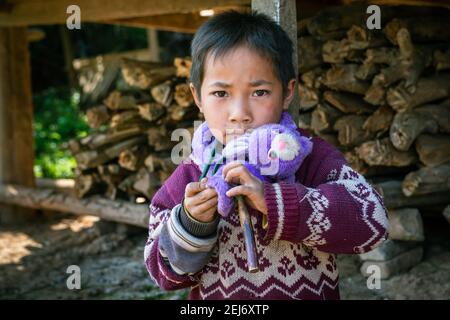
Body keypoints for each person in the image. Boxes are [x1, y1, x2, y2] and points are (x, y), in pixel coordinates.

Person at [144, 10, 389, 300]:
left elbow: (373, 221)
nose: (239, 115)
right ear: (198, 97)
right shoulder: (192, 173)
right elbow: (162, 273)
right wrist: (191, 224)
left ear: (287, 92)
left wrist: (276, 202)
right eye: (221, 94)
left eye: (259, 92)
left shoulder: (308, 156)